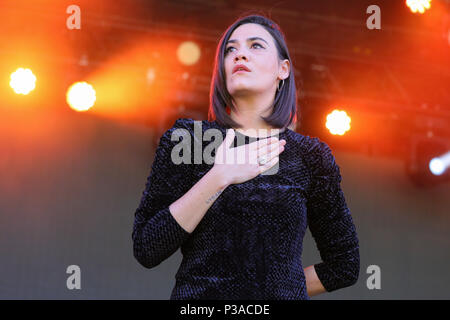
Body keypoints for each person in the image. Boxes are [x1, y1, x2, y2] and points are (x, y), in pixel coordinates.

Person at [132, 14, 360, 300]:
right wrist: (218, 177)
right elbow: (147, 247)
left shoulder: (310, 156)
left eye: (256, 46)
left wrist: (277, 291)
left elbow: (345, 265)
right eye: (230, 49)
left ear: (283, 69)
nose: (240, 53)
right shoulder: (188, 140)